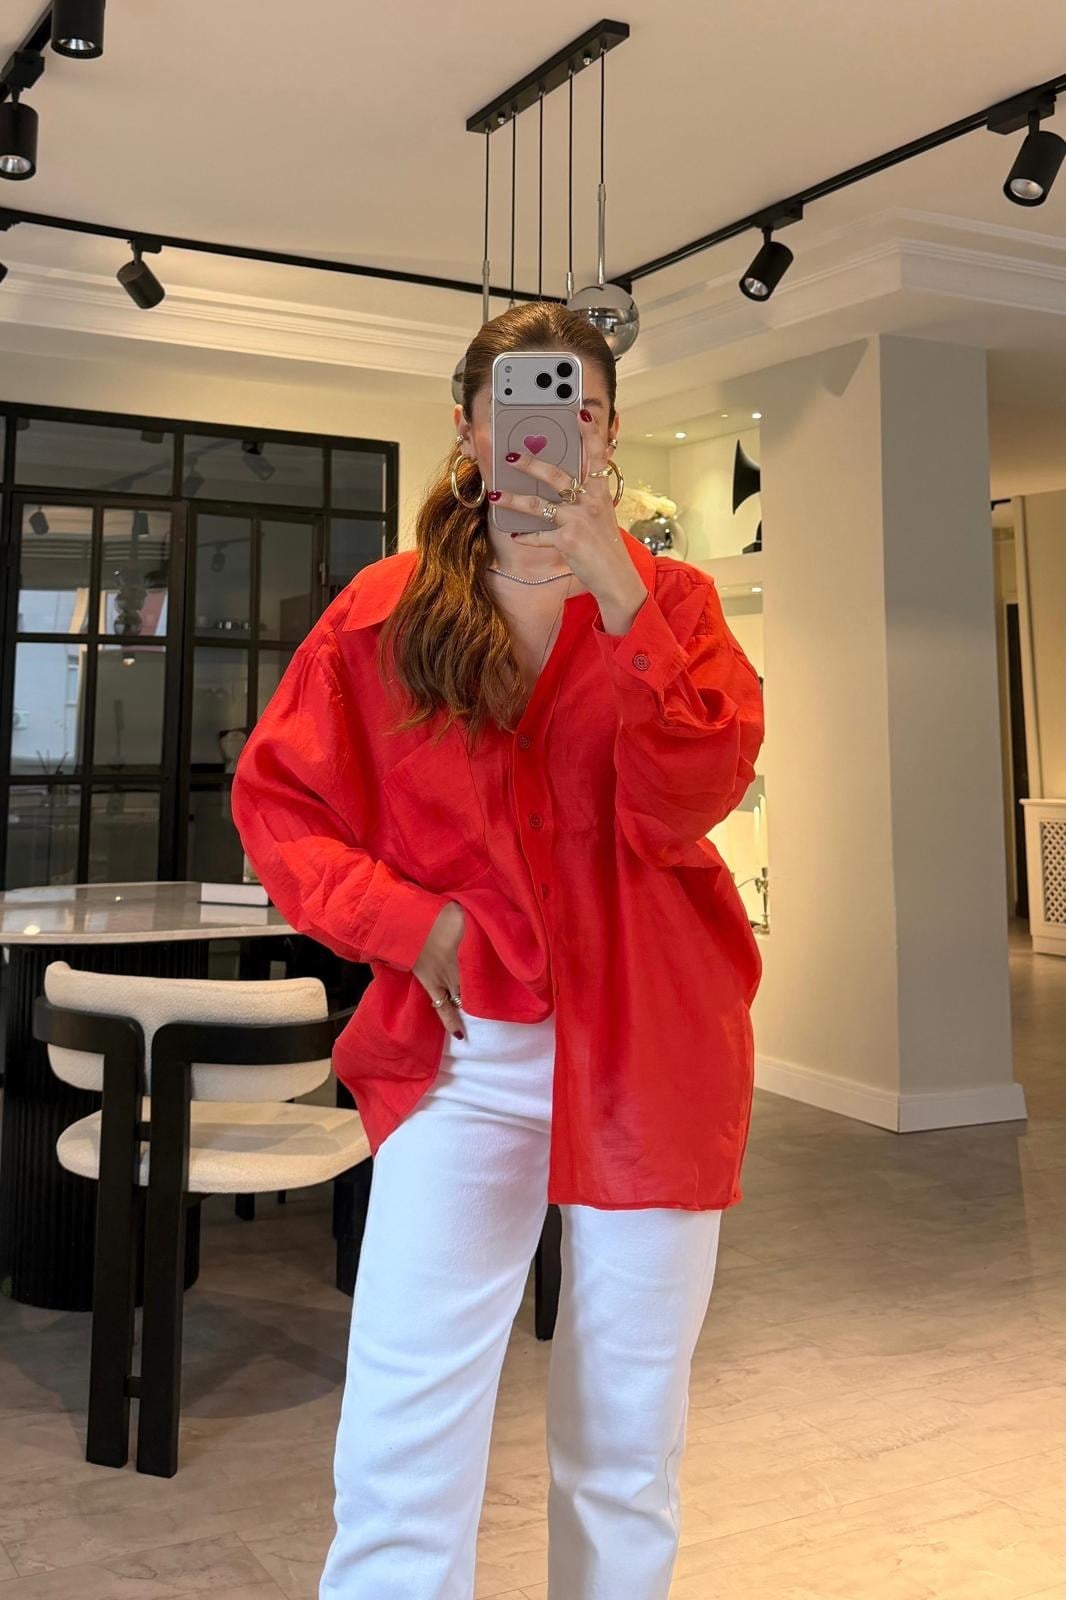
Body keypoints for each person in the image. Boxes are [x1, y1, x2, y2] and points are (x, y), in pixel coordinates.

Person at [231, 301, 765, 1600]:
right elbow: (277, 807)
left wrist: (621, 593)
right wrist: (410, 923)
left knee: (627, 1436)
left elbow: (691, 795)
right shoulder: (382, 614)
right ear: (470, 430)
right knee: (403, 1422)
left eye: (583, 408)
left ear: (609, 434)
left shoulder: (675, 605)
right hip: (459, 1054)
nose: (551, 433)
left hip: (651, 1055)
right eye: (519, 407)